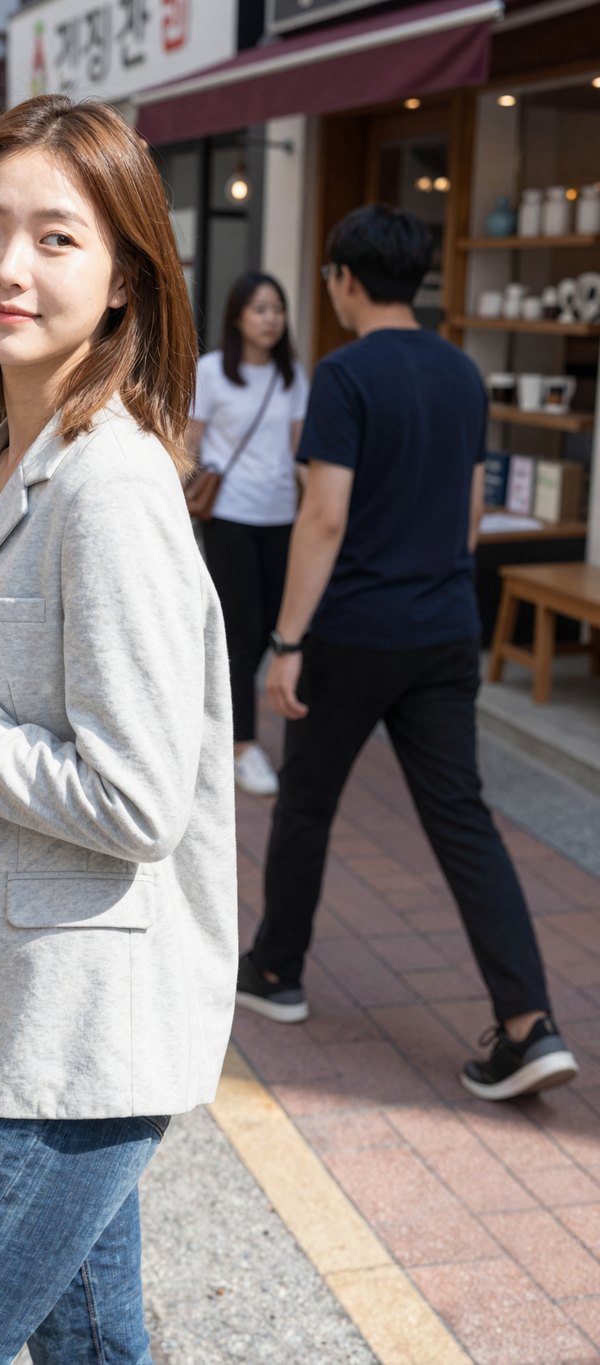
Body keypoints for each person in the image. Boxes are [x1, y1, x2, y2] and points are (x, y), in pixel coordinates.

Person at [0, 93, 238, 1362]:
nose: (7, 268)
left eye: (57, 239)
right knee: (90, 1351)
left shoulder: (114, 488)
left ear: (125, 277)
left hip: (75, 1042)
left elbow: (136, 799)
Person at [236, 205, 579, 1103]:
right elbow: (468, 515)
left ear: (345, 280)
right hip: (443, 629)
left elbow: (324, 515)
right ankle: (527, 1022)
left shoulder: (346, 376)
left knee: (307, 800)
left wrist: (287, 641)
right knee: (462, 818)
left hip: (351, 629)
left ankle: (276, 972)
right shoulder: (463, 374)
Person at [187, 272, 309, 797]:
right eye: (260, 309)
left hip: (282, 515)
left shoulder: (292, 377)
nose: (270, 319)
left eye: (277, 309)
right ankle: (241, 746)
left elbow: (302, 455)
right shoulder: (212, 372)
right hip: (230, 515)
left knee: (270, 629)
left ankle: (217, 711)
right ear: (238, 316)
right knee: (241, 627)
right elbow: (187, 444)